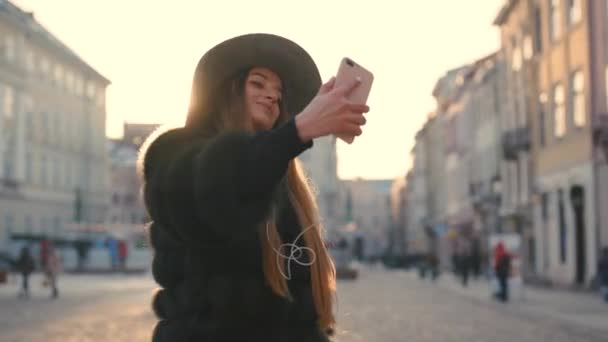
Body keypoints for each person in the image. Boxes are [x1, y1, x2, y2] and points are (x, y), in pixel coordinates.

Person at [138, 33, 369, 341]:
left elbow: (295, 309)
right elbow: (217, 189)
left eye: (278, 91)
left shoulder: (282, 177)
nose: (272, 96)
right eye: (258, 84)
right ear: (223, 92)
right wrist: (297, 131)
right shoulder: (174, 152)